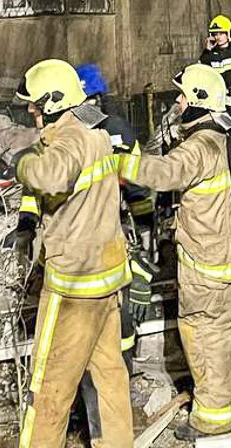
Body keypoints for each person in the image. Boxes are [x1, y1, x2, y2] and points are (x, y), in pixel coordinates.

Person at [123, 66, 231, 439]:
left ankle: (213, 418)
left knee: (206, 335)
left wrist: (117, 161)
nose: (178, 101)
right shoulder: (228, 135)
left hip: (206, 265)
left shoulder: (200, 146)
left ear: (199, 102)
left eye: (183, 95)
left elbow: (163, 174)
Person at [12, 59, 133, 448]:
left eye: (34, 105)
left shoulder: (70, 140)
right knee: (110, 376)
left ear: (52, 103)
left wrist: (23, 163)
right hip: (106, 280)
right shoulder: (97, 135)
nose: (30, 112)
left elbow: (50, 177)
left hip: (73, 289)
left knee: (49, 387)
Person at [74, 64, 155, 371]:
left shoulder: (108, 130)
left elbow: (135, 185)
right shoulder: (83, 132)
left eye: (89, 100)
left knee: (116, 303)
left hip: (109, 227)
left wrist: (145, 230)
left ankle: (120, 366)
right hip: (90, 230)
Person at [200, 15, 231, 101]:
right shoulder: (209, 54)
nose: (218, 37)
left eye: (221, 33)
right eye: (215, 34)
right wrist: (207, 50)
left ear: (229, 33)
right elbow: (202, 70)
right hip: (221, 100)